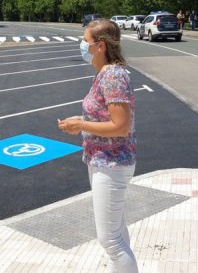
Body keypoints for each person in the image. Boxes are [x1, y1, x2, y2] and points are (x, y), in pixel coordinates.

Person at [58, 20, 138, 273]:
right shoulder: (104, 73)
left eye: (85, 41)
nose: (82, 45)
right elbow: (103, 118)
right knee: (117, 235)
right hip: (102, 162)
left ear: (100, 45)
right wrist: (81, 122)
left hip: (112, 164)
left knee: (111, 240)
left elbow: (121, 126)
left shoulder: (113, 76)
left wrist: (81, 124)